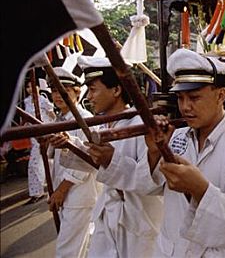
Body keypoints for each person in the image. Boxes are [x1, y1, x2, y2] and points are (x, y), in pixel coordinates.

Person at [145, 48, 225, 257]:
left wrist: (201, 190)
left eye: (194, 97)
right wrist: (153, 154)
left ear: (221, 95)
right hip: (170, 250)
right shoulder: (177, 137)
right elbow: (154, 188)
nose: (185, 107)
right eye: (180, 98)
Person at [76, 56, 163, 258]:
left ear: (116, 90)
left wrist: (111, 160)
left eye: (93, 89)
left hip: (137, 220)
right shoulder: (104, 124)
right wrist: (68, 147)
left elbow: (151, 181)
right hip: (108, 215)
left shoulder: (141, 125)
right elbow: (96, 166)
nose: (89, 96)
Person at [41, 67, 99, 258]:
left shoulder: (85, 119)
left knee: (67, 251)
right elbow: (54, 155)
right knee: (79, 247)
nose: (58, 96)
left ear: (77, 91)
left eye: (64, 90)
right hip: (66, 191)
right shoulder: (59, 119)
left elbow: (86, 162)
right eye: (55, 91)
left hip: (78, 193)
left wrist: (61, 190)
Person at [22, 78, 55, 205]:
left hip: (46, 135)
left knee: (48, 162)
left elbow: (52, 115)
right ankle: (37, 192)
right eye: (28, 87)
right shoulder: (26, 101)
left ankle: (50, 187)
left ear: (38, 87)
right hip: (34, 136)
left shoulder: (43, 100)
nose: (30, 89)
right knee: (35, 164)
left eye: (33, 86)